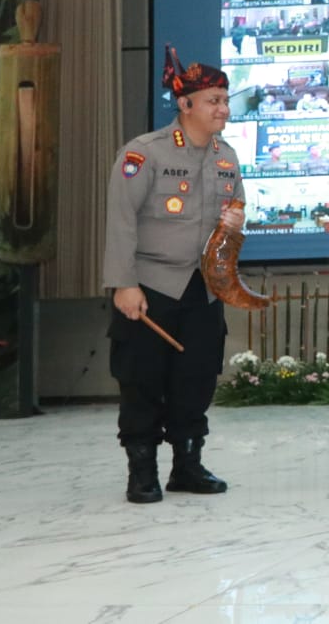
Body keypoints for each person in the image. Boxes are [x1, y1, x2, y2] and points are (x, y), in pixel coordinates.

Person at [103, 48, 245, 504]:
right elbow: (121, 220)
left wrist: (236, 224)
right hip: (150, 286)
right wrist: (123, 284)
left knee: (197, 377)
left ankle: (187, 465)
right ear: (185, 105)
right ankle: (141, 472)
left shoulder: (227, 157)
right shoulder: (144, 154)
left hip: (203, 289)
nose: (222, 108)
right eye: (213, 100)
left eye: (225, 99)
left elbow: (235, 214)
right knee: (142, 378)